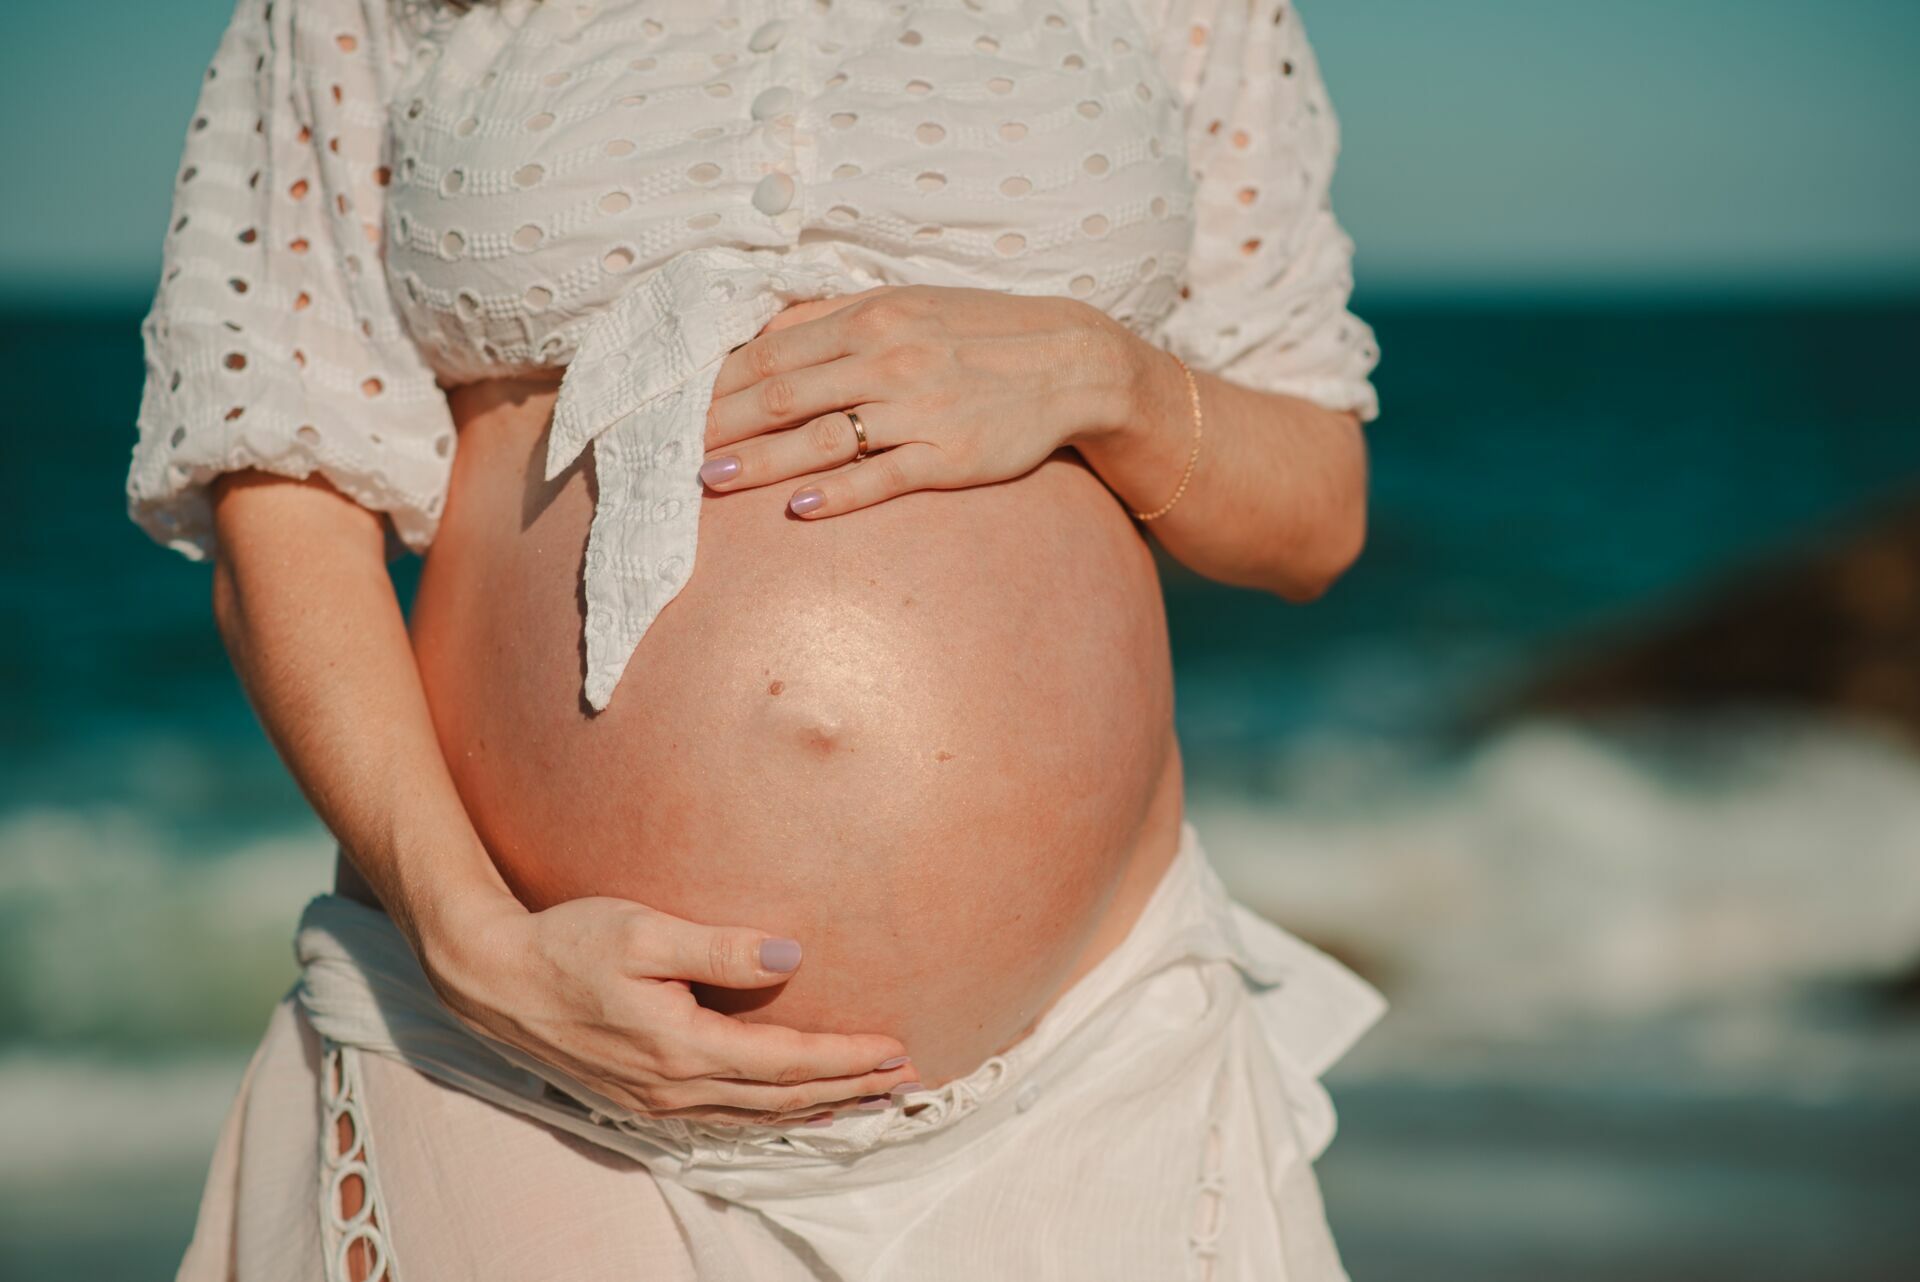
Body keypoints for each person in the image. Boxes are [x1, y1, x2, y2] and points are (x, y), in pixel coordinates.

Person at [129, 0, 1387, 1277]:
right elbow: (281, 475)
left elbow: (1313, 513)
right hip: (509, 1064)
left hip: (1091, 1069)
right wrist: (472, 944)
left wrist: (1103, 373)